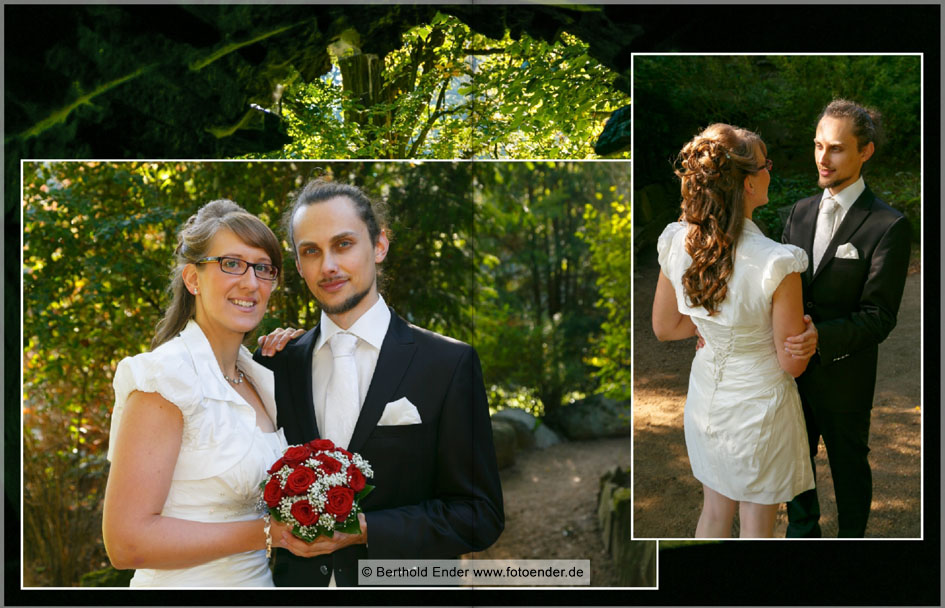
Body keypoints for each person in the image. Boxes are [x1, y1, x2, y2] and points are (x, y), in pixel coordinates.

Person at [253, 179, 504, 586]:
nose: (328, 266)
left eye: (344, 244)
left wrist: (366, 529)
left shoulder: (447, 362)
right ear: (298, 266)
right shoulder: (277, 365)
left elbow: (480, 515)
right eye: (311, 251)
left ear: (380, 245)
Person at [102, 199, 303, 586]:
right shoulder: (164, 379)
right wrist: (269, 533)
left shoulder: (259, 378)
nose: (250, 282)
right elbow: (126, 543)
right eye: (231, 264)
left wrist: (299, 357)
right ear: (193, 279)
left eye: (263, 268)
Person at [651, 123, 815, 538]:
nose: (769, 173)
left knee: (713, 513)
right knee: (758, 526)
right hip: (759, 404)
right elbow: (791, 363)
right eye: (765, 165)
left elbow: (666, 327)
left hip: (707, 397)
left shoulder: (676, 242)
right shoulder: (778, 262)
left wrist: (714, 325)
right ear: (746, 183)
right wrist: (810, 337)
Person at [781, 100, 911, 538]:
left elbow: (880, 317)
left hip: (845, 376)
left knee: (849, 469)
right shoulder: (798, 212)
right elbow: (776, 292)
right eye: (818, 145)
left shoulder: (888, 225)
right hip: (790, 374)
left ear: (865, 151)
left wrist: (824, 337)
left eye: (836, 148)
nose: (822, 158)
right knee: (797, 475)